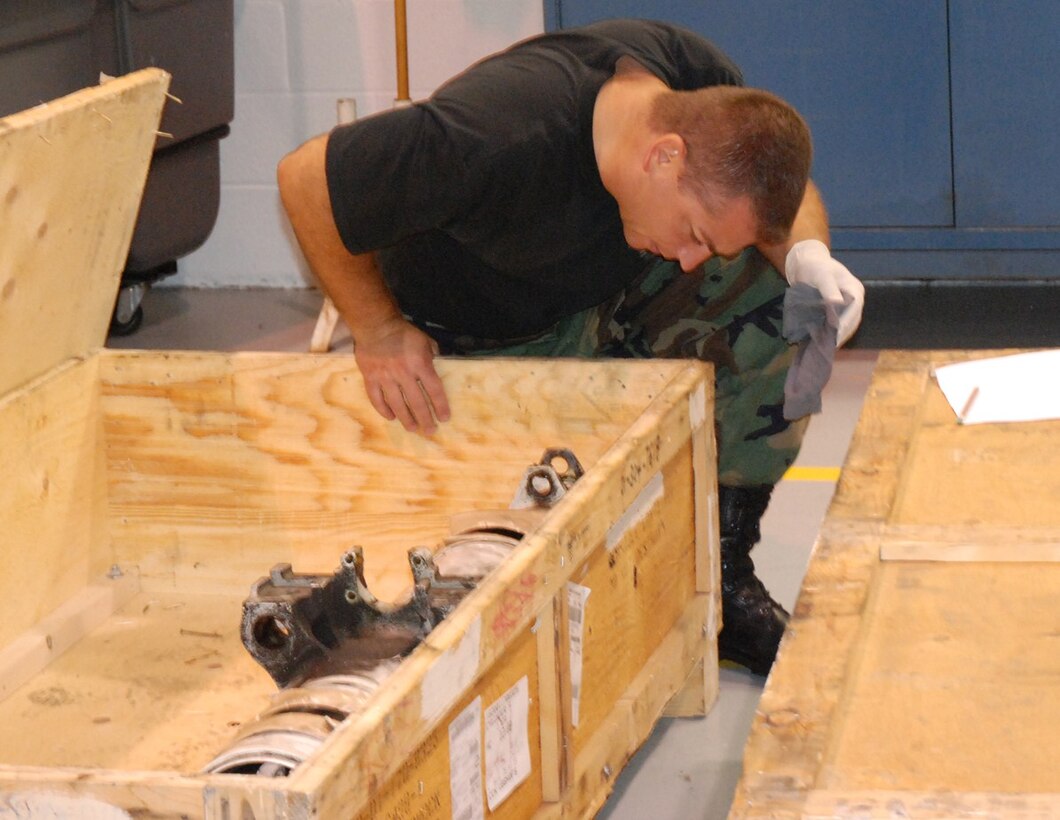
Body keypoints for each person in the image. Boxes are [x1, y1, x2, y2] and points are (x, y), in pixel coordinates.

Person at [276, 18, 864, 676]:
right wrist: (377, 327)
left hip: (605, 292)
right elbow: (304, 179)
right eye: (694, 231)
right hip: (485, 336)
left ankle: (723, 580)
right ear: (663, 156)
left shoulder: (688, 78)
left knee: (783, 297)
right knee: (504, 587)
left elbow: (770, 193)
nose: (696, 258)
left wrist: (809, 257)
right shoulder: (498, 135)